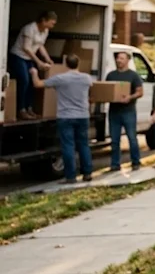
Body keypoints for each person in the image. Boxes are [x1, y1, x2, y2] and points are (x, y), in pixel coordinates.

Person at [30, 54, 94, 184]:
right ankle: (87, 173)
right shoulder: (87, 78)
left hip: (66, 116)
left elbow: (37, 84)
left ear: (65, 64)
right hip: (83, 116)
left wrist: (34, 72)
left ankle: (71, 177)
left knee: (68, 146)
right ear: (78, 64)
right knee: (83, 145)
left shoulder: (60, 79)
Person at [8, 11, 56, 120]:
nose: (52, 26)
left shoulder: (45, 31)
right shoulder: (29, 29)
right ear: (43, 20)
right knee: (24, 80)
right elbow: (26, 48)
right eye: (51, 23)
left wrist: (48, 59)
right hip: (18, 56)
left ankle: (29, 108)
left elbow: (40, 46)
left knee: (33, 81)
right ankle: (21, 109)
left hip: (29, 58)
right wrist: (39, 62)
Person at [106, 51, 145, 172]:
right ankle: (115, 164)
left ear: (127, 60)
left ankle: (136, 162)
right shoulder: (111, 75)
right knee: (114, 140)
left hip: (128, 111)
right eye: (118, 58)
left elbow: (140, 92)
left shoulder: (133, 76)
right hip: (114, 112)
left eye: (122, 58)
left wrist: (130, 97)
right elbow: (106, 90)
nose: (119, 60)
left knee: (132, 138)